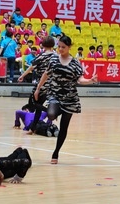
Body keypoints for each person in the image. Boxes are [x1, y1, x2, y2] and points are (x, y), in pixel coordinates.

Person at [34, 36, 98, 164]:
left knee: (63, 128)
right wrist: (38, 89)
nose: (61, 49)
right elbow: (46, 74)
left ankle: (56, 152)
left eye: (63, 47)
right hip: (55, 94)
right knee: (51, 114)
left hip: (70, 98)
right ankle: (57, 110)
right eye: (59, 47)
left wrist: (90, 81)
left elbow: (80, 80)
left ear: (69, 47)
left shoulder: (75, 63)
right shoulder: (53, 59)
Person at [18, 36, 56, 134]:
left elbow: (31, 68)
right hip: (50, 85)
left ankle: (49, 111)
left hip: (41, 84)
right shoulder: (56, 56)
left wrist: (22, 76)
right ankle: (32, 129)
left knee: (32, 104)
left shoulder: (41, 56)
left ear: (43, 45)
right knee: (38, 107)